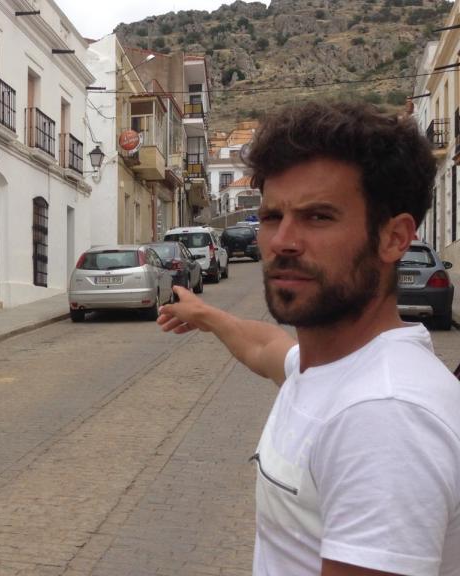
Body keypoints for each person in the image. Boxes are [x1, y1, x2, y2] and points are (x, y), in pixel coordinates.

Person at [158, 101, 460, 576]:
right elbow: (268, 350)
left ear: (395, 238)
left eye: (318, 217)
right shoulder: (331, 365)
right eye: (273, 216)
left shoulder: (383, 415)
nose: (282, 241)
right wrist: (207, 315)